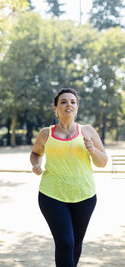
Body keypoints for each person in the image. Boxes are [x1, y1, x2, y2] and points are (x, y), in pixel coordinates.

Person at [30, 88, 108, 267]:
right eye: (63, 101)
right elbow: (35, 153)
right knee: (65, 242)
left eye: (73, 102)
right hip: (52, 196)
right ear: (55, 108)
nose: (69, 105)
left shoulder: (88, 131)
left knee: (75, 244)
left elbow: (102, 162)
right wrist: (36, 164)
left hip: (85, 196)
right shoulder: (46, 133)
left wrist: (92, 150)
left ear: (77, 107)